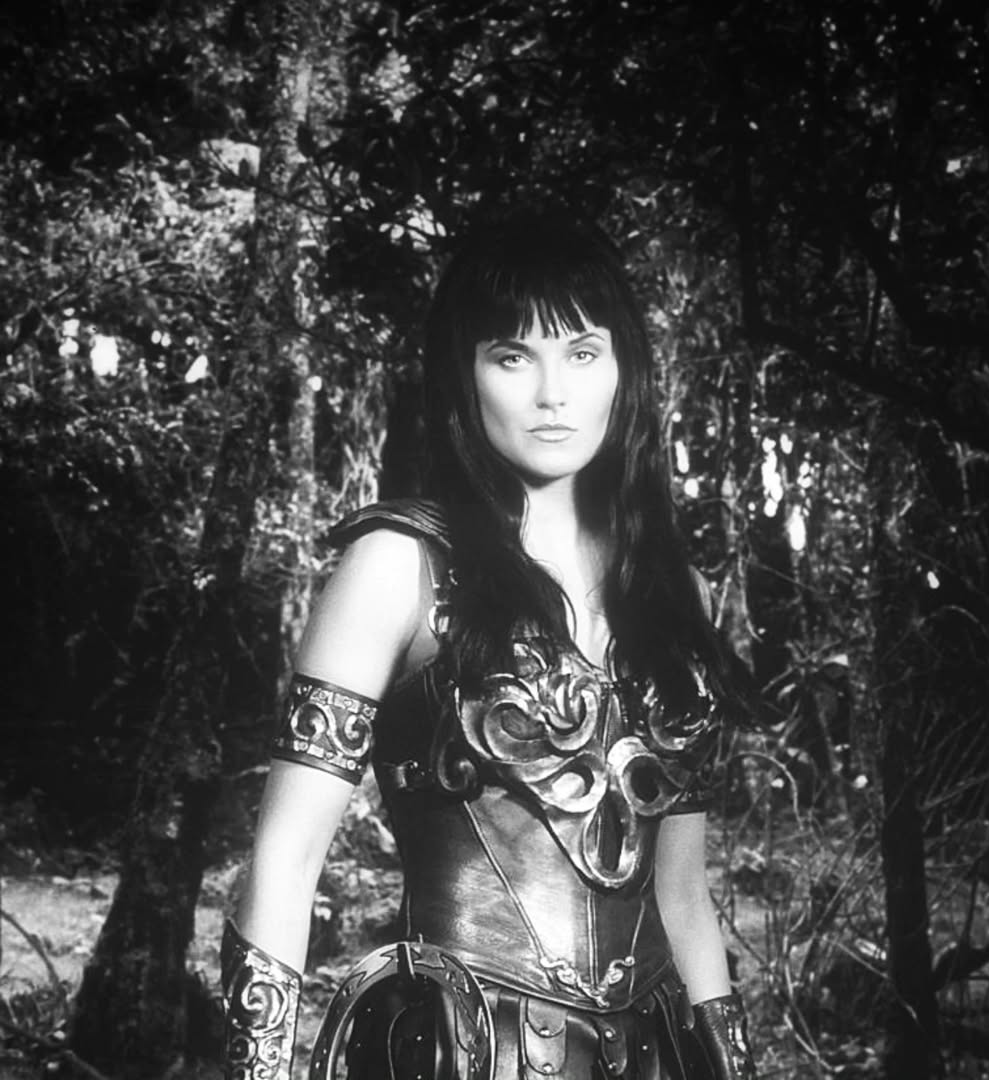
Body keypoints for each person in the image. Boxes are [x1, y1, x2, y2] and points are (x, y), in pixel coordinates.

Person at [220, 210, 758, 1080]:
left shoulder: (674, 593)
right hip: (455, 1050)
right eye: (513, 356)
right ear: (463, 375)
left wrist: (734, 1064)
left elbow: (684, 896)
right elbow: (287, 858)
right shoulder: (396, 565)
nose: (553, 393)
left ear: (623, 370)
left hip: (657, 1056)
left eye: (582, 352)